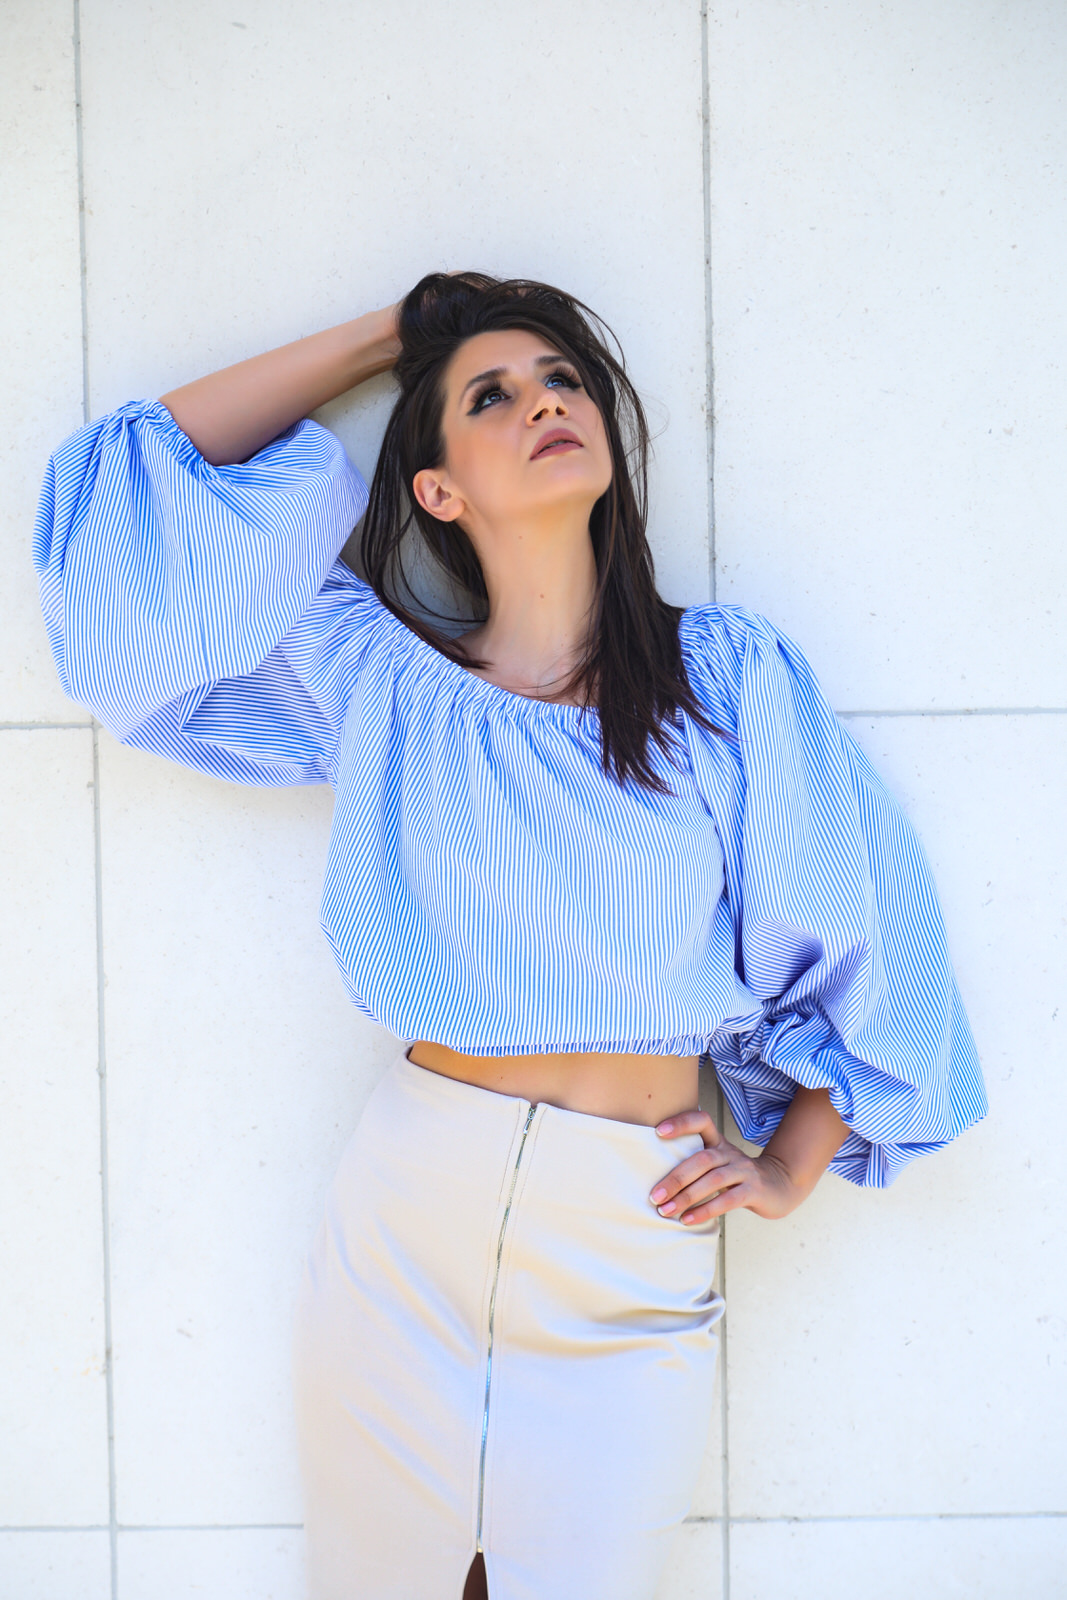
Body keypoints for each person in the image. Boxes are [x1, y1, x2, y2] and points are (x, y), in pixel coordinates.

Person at [34, 272, 987, 1600]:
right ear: (437, 489)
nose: (543, 402)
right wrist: (396, 332)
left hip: (630, 1241)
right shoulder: (379, 680)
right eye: (492, 395)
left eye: (562, 380)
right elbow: (129, 522)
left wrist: (788, 1166)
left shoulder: (724, 679)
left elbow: (870, 933)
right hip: (405, 1231)